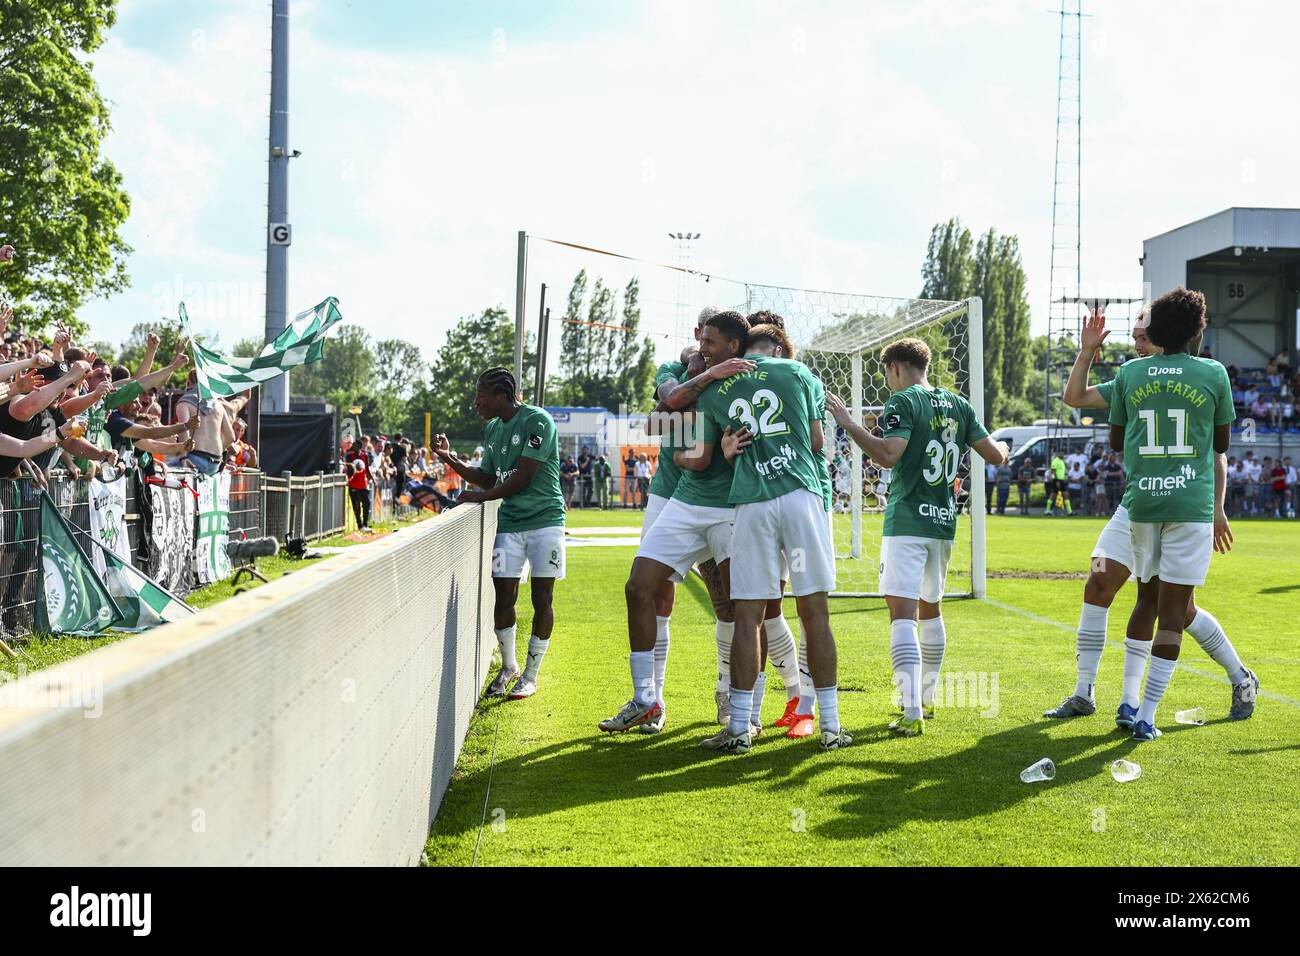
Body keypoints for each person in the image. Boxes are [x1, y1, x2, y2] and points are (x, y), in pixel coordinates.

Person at [1047, 299, 1256, 733]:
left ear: (1160, 333)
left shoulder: (1181, 375)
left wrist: (1217, 507)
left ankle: (1230, 678)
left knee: (1173, 609)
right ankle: (1087, 692)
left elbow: (1214, 453)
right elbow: (1074, 397)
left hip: (1175, 504)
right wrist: (1086, 352)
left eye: (1143, 333)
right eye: (1136, 337)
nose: (1138, 342)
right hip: (1135, 505)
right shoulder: (1133, 377)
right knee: (1100, 578)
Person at [688, 311, 850, 752]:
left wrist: (729, 448)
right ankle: (830, 727)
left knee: (748, 615)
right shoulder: (799, 372)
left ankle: (740, 728)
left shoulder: (719, 386)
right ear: (778, 348)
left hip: (753, 502)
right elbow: (817, 441)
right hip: (799, 495)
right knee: (814, 611)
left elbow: (713, 446)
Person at [831, 337, 1006, 737]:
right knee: (932, 608)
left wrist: (849, 424)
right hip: (943, 522)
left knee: (902, 614)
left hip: (908, 519)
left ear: (895, 368)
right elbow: (994, 456)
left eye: (886, 375)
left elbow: (889, 454)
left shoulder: (904, 401)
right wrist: (1006, 451)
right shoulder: (959, 404)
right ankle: (926, 698)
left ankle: (911, 713)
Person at [598, 313, 756, 737]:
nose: (700, 345)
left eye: (709, 339)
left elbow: (687, 440)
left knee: (739, 606)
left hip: (729, 505)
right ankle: (648, 699)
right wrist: (701, 384)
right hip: (677, 497)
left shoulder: (742, 382)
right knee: (644, 588)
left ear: (733, 346)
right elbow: (657, 417)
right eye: (699, 337)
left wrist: (698, 432)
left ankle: (743, 708)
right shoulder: (681, 367)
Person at [435, 367, 565, 701]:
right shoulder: (493, 428)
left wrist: (478, 497)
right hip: (510, 523)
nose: (476, 403)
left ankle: (531, 677)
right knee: (503, 595)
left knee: (542, 599)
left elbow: (524, 476)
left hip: (546, 520)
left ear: (500, 396)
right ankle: (509, 667)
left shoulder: (537, 421)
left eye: (480, 396)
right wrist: (449, 458)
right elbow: (490, 478)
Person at [345, 439, 372, 531]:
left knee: (367, 503)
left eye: (355, 446)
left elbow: (367, 469)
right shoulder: (349, 456)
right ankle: (359, 524)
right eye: (353, 445)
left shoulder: (365, 456)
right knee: (356, 505)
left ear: (360, 447)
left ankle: (365, 524)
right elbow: (348, 469)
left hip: (363, 484)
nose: (353, 447)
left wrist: (372, 479)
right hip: (353, 484)